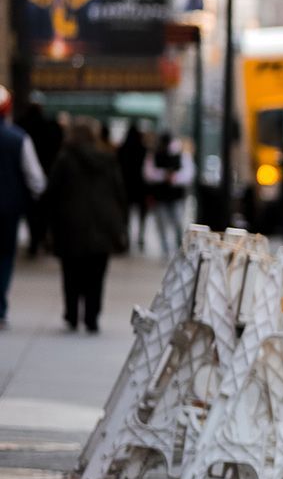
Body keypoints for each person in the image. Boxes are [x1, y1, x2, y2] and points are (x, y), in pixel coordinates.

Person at [46, 116, 126, 334]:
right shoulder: (107, 158)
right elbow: (119, 192)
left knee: (71, 272)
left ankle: (72, 314)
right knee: (96, 274)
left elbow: (52, 192)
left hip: (70, 224)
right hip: (102, 223)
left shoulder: (64, 159)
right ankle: (92, 316)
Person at [0, 87, 47, 329]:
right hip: (9, 208)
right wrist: (37, 197)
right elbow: (35, 177)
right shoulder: (19, 138)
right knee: (5, 257)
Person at [142, 130, 194, 255]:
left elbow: (189, 174)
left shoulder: (181, 154)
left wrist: (174, 178)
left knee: (177, 222)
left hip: (176, 196)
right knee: (162, 224)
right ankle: (166, 249)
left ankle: (180, 247)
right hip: (160, 196)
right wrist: (163, 175)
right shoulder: (154, 154)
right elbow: (148, 173)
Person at [23, 101, 62, 257]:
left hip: (26, 180)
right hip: (45, 174)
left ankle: (35, 239)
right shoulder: (48, 128)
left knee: (32, 214)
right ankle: (40, 238)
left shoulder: (22, 128)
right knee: (42, 212)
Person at [117, 121, 149, 253]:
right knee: (142, 213)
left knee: (126, 215)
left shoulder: (122, 149)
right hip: (141, 185)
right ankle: (140, 236)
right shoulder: (143, 149)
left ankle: (127, 238)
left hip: (126, 186)